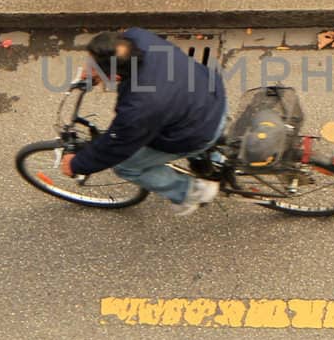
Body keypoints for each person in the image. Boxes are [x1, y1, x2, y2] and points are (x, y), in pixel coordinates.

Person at [61, 28, 228, 216]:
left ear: (114, 76)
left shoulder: (139, 107)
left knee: (126, 166)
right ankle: (214, 158)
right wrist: (96, 72)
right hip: (212, 96)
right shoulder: (138, 36)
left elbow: (116, 146)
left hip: (199, 131)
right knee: (176, 117)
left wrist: (77, 164)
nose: (87, 67)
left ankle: (191, 192)